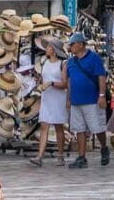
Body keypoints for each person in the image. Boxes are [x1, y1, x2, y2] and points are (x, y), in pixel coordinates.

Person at [66, 31, 109, 169]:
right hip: (76, 100)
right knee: (79, 129)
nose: (70, 47)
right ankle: (82, 156)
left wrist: (101, 96)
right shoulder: (71, 62)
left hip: (91, 99)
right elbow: (69, 81)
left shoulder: (94, 58)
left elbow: (101, 77)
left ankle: (103, 147)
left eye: (72, 44)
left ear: (80, 44)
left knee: (97, 127)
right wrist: (68, 98)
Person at [29, 38, 67, 167]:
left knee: (58, 126)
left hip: (58, 97)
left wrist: (50, 83)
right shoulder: (44, 61)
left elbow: (64, 83)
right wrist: (39, 82)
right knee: (44, 125)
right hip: (46, 97)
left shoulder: (63, 63)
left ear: (55, 50)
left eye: (49, 47)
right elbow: (43, 77)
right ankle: (40, 156)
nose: (46, 49)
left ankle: (60, 155)